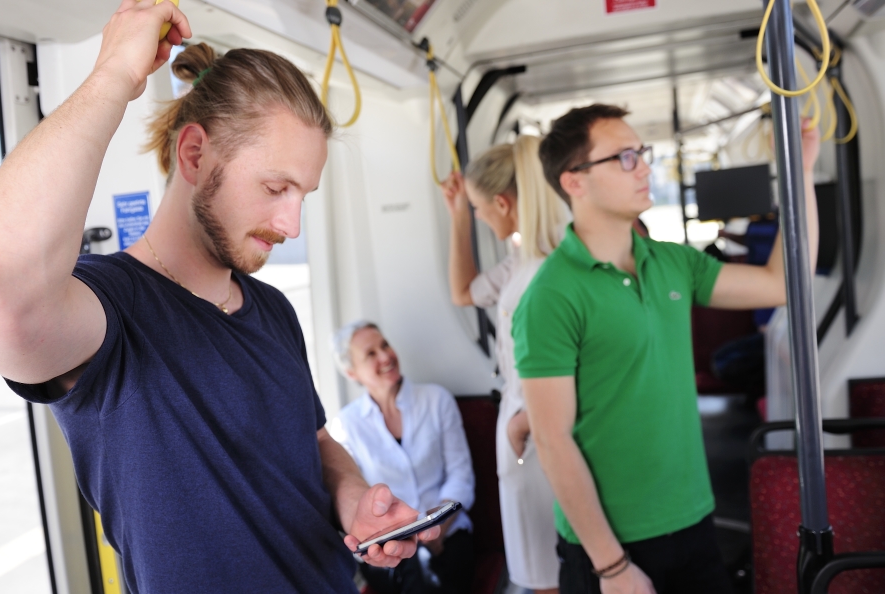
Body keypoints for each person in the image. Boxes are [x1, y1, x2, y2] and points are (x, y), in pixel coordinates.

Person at [0, 2, 438, 592]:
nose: (291, 224)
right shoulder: (112, 312)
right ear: (193, 154)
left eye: (303, 194)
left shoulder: (274, 310)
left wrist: (354, 499)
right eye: (274, 187)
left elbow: (312, 441)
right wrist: (113, 75)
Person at [513, 104, 819, 594]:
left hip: (694, 522)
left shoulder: (672, 262)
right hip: (611, 547)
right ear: (575, 181)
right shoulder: (550, 296)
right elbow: (552, 442)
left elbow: (783, 282)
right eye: (626, 157)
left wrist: (800, 171)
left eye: (643, 154)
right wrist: (612, 568)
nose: (646, 167)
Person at [440, 135, 566, 594]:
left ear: (502, 202)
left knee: (548, 567)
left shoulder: (552, 266)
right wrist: (456, 214)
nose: (477, 216)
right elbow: (464, 292)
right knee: (537, 564)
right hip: (520, 427)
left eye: (476, 208)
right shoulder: (521, 261)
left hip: (535, 428)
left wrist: (522, 423)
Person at [331, 321, 477, 594]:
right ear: (352, 372)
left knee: (433, 570)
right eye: (371, 354)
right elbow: (355, 496)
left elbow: (461, 476)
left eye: (384, 345)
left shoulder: (436, 400)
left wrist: (438, 528)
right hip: (389, 545)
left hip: (449, 532)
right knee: (414, 569)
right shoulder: (346, 425)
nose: (385, 356)